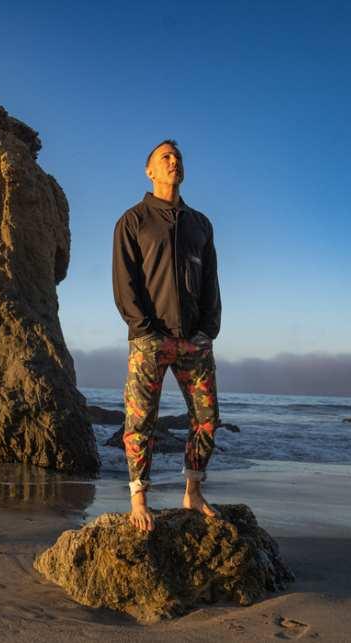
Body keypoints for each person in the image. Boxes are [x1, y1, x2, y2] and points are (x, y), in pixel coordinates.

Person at [111, 139, 222, 532]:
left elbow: (211, 283)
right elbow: (124, 283)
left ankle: (193, 492)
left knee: (207, 418)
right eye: (165, 157)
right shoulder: (133, 220)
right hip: (150, 340)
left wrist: (207, 331)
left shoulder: (200, 224)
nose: (174, 162)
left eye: (177, 158)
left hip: (194, 341)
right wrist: (144, 330)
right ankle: (139, 498)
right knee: (140, 421)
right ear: (150, 170)